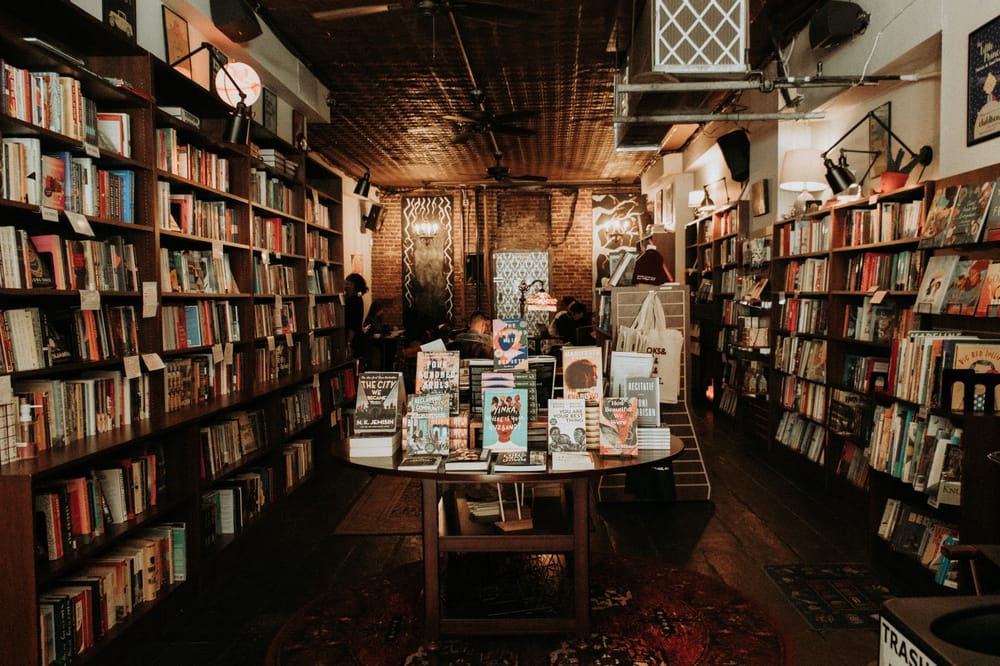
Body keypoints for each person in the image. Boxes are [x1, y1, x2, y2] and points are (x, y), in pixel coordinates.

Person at [344, 273, 369, 363]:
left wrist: (348, 342)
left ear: (356, 286)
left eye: (349, 284)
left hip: (354, 340)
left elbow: (353, 324)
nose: (346, 286)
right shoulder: (352, 299)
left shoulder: (354, 300)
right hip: (355, 337)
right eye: (346, 283)